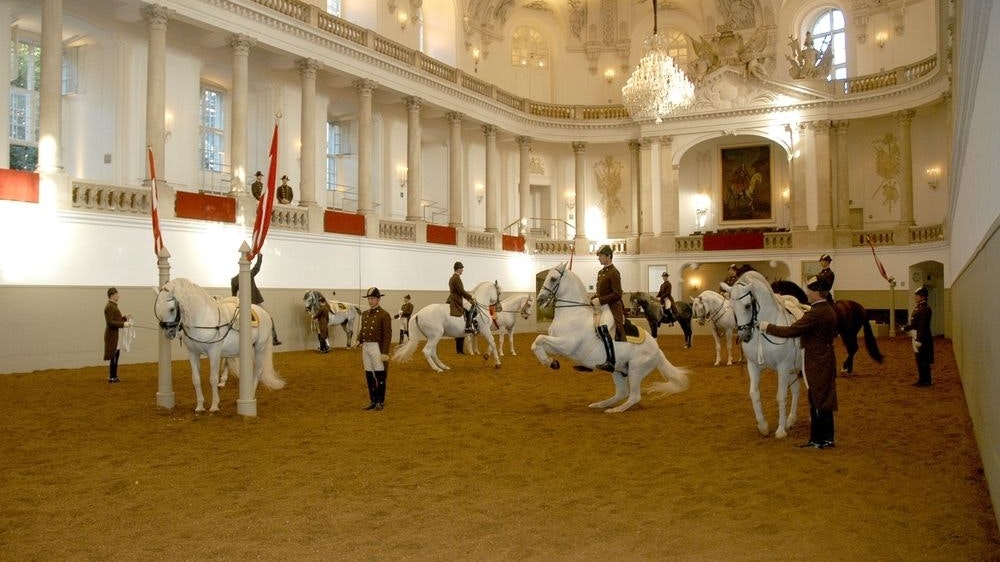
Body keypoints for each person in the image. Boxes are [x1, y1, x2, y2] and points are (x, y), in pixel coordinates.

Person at [759, 275, 838, 449]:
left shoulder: (816, 313)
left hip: (816, 359)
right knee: (824, 399)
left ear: (817, 292)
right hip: (824, 356)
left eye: (809, 289)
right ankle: (827, 438)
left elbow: (792, 330)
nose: (807, 292)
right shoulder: (827, 309)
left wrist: (767, 327)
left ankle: (819, 439)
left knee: (817, 400)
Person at [230, 254, 281, 345]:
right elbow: (257, 267)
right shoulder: (249, 274)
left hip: (243, 302)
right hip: (253, 302)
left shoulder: (234, 279)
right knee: (269, 318)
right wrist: (260, 255)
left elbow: (233, 295)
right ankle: (274, 338)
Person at [358, 287, 393, 411]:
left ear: (378, 299)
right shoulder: (365, 314)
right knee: (369, 373)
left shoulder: (384, 315)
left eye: (373, 298)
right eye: (369, 299)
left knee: (379, 374)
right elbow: (363, 329)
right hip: (366, 346)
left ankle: (380, 401)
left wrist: (384, 352)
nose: (370, 301)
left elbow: (387, 335)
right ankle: (372, 400)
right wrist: (359, 339)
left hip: (377, 347)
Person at [592, 245, 625, 372]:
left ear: (608, 256)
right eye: (599, 256)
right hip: (602, 306)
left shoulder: (614, 272)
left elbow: (617, 294)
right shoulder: (601, 272)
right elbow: (600, 292)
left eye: (601, 256)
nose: (599, 258)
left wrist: (600, 300)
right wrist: (592, 299)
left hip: (612, 307)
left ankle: (611, 361)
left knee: (603, 329)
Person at [902, 286, 934, 387]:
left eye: (917, 295)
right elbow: (914, 322)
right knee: (919, 359)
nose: (915, 297)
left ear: (923, 297)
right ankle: (921, 379)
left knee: (924, 359)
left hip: (922, 337)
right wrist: (906, 327)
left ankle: (926, 380)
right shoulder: (919, 307)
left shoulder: (925, 309)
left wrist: (919, 339)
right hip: (916, 335)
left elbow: (922, 326)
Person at [103, 287, 131, 383]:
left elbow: (115, 319)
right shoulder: (110, 307)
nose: (118, 296)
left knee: (116, 354)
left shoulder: (113, 306)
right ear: (112, 295)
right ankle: (112, 377)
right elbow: (110, 322)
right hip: (112, 335)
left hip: (115, 334)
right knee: (114, 355)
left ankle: (114, 375)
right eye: (117, 294)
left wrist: (124, 318)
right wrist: (123, 324)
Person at [448, 261, 476, 334]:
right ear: (458, 269)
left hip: (453, 297)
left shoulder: (452, 278)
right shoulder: (456, 278)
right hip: (457, 298)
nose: (462, 270)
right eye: (462, 268)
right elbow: (461, 291)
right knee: (472, 306)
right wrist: (471, 297)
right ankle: (468, 325)